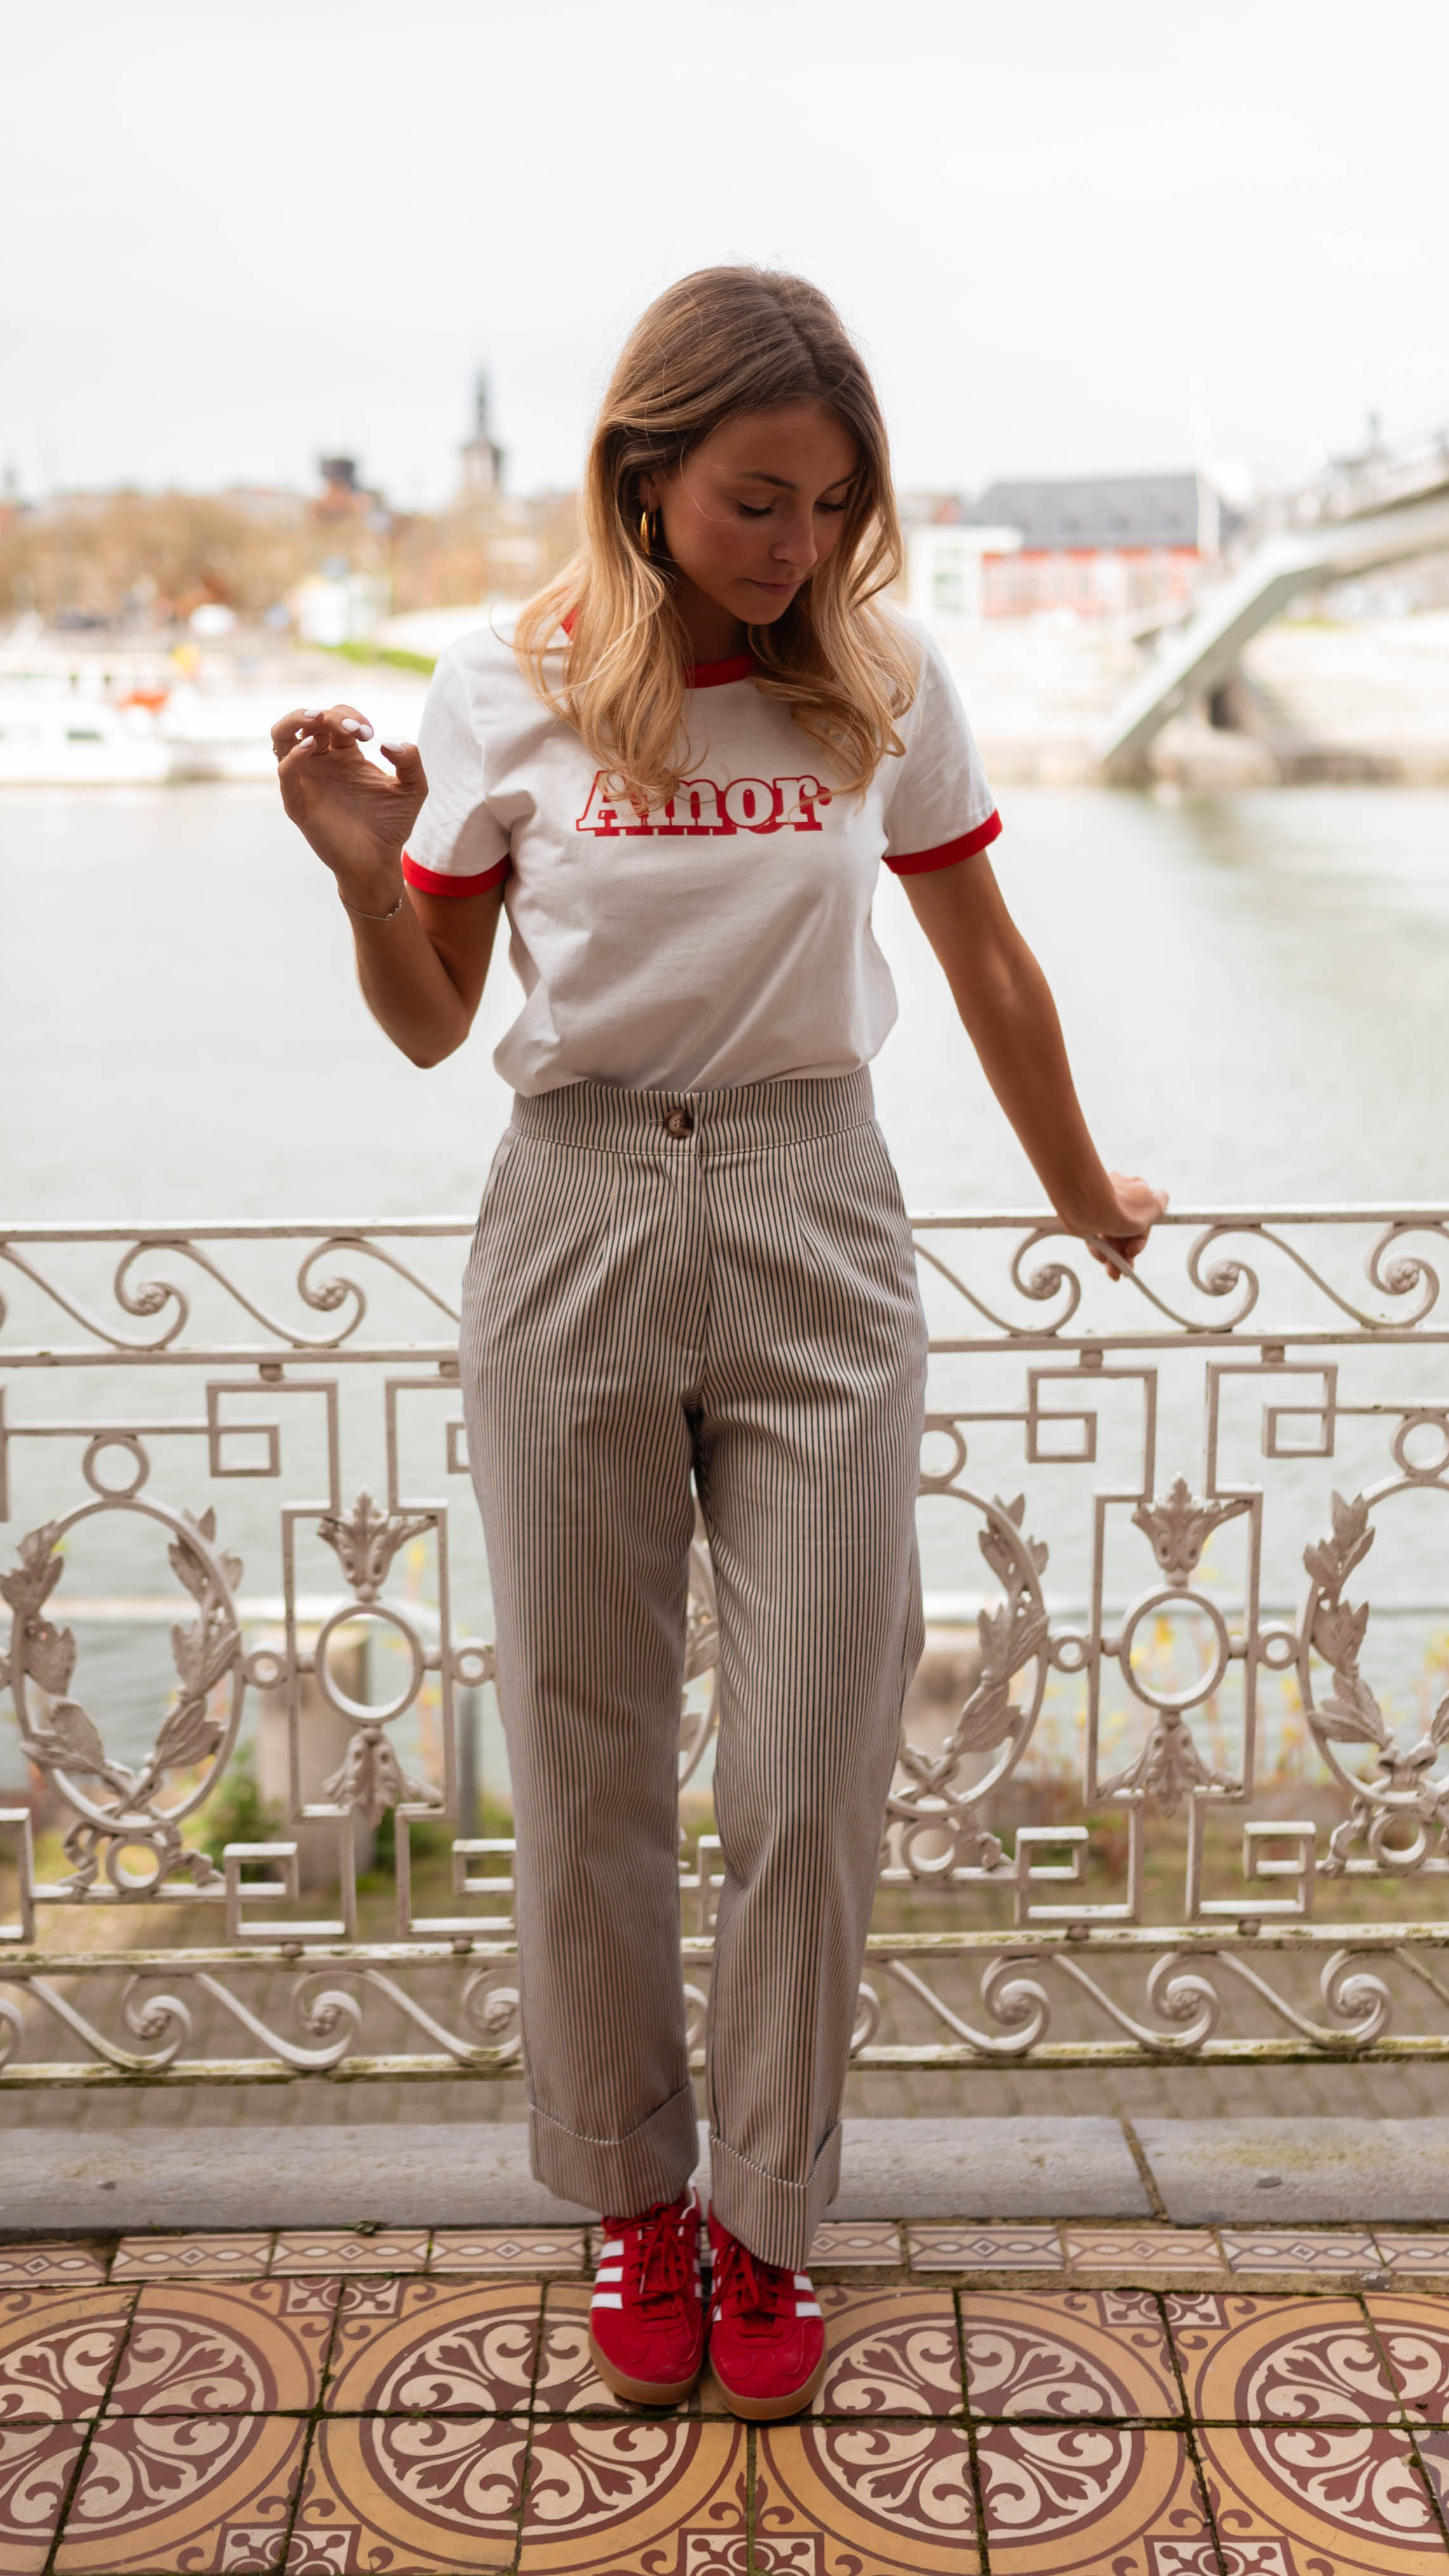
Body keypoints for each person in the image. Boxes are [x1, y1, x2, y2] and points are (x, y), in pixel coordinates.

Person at [273, 266, 1165, 2422]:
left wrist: (1082, 1188)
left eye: (833, 506)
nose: (797, 548)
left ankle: (768, 2210)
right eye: (760, 502)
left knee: (811, 1759)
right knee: (585, 1756)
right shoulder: (508, 680)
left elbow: (987, 959)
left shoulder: (881, 676)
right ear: (644, 476)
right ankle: (631, 2196)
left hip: (814, 1208)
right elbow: (430, 1020)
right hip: (573, 1208)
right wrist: (350, 866)